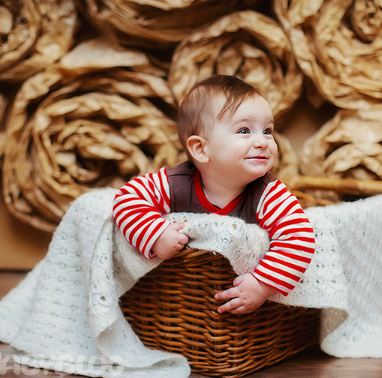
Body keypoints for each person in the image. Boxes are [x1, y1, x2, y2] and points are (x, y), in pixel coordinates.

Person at [113, 75, 315, 314]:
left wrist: (262, 284)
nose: (262, 141)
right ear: (201, 149)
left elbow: (299, 236)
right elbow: (126, 199)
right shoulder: (176, 183)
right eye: (244, 130)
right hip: (177, 304)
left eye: (267, 130)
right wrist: (156, 234)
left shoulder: (267, 193)